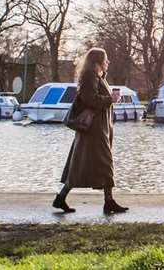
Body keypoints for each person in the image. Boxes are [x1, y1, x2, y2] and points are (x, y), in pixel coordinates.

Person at [53, 48, 127, 214]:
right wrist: (111, 99)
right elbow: (90, 99)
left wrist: (110, 96)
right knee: (105, 163)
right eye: (105, 59)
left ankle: (61, 198)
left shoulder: (98, 77)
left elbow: (95, 97)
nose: (108, 62)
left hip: (99, 129)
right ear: (97, 61)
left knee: (80, 164)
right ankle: (109, 202)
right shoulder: (89, 77)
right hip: (94, 130)